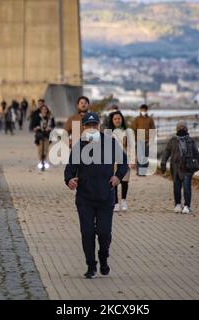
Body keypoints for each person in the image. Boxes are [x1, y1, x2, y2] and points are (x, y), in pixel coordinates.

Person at [64, 112, 128, 279]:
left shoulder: (110, 143)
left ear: (99, 126)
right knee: (87, 233)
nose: (92, 128)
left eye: (94, 125)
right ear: (84, 127)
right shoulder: (80, 146)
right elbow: (69, 169)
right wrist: (69, 180)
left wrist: (117, 177)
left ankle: (103, 258)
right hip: (85, 198)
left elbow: (123, 163)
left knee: (104, 232)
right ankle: (91, 266)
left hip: (106, 196)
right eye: (88, 126)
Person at [160, 121, 199, 214]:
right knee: (176, 187)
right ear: (177, 129)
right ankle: (177, 205)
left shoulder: (191, 141)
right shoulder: (172, 140)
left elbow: (197, 154)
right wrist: (163, 163)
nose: (182, 129)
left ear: (187, 129)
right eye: (180, 127)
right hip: (176, 168)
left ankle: (187, 206)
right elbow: (166, 152)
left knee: (187, 187)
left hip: (187, 167)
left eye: (183, 127)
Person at [107, 110, 136, 212]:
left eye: (119, 118)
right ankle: (115, 202)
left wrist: (132, 160)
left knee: (124, 181)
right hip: (112, 161)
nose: (117, 120)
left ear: (122, 119)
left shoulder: (128, 132)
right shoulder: (108, 133)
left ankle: (123, 200)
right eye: (115, 119)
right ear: (112, 120)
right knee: (114, 181)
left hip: (125, 160)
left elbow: (132, 147)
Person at [131, 104, 156, 176]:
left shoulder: (150, 119)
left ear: (146, 110)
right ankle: (140, 172)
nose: (143, 111)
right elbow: (133, 129)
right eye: (142, 110)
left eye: (144, 110)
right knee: (140, 156)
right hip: (139, 140)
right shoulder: (137, 119)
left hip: (147, 140)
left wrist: (151, 140)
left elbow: (153, 130)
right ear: (140, 110)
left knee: (145, 156)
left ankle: (143, 171)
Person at [33, 105, 55, 170]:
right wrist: (36, 128)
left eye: (45, 109)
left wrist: (50, 128)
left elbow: (53, 125)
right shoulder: (38, 117)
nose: (44, 110)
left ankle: (45, 159)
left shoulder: (50, 117)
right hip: (40, 135)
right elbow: (34, 125)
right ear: (41, 110)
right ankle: (40, 159)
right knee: (40, 148)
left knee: (46, 147)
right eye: (43, 109)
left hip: (47, 135)